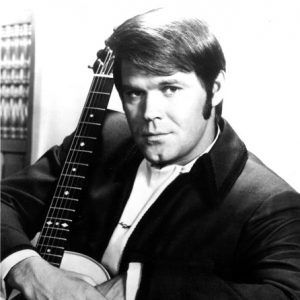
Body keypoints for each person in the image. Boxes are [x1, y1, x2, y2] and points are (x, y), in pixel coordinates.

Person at [1, 7, 300, 300]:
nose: (150, 114)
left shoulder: (269, 202)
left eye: (170, 88)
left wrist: (138, 284)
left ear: (216, 87)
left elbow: (287, 293)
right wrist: (28, 269)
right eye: (135, 93)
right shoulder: (102, 135)